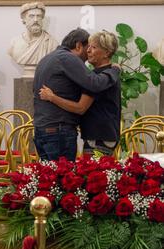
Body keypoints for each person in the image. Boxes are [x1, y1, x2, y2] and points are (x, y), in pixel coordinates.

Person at [33, 28, 120, 161]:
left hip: (97, 136)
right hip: (64, 131)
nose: (88, 52)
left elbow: (81, 106)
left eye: (94, 47)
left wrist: (53, 97)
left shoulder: (47, 58)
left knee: (61, 178)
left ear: (106, 52)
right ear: (79, 46)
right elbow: (92, 86)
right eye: (88, 47)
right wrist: (114, 70)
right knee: (64, 178)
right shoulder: (72, 60)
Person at [7, 2, 58, 67]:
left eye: (39, 16)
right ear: (24, 19)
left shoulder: (52, 43)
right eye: (31, 16)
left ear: (42, 19)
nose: (36, 20)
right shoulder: (14, 43)